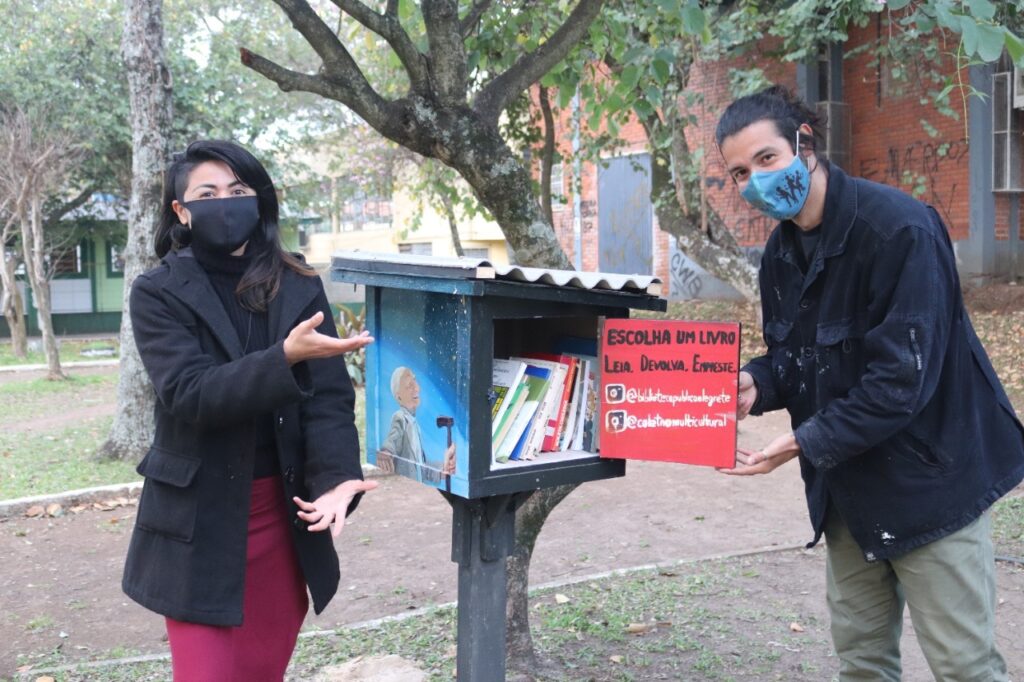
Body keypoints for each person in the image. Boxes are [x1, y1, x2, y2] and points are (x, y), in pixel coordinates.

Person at [716, 85, 1024, 680]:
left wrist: (802, 442)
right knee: (861, 662)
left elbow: (899, 382)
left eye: (765, 159)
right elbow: (795, 355)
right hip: (849, 494)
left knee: (964, 666)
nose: (754, 182)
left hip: (932, 484)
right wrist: (756, 382)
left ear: (804, 142)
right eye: (737, 173)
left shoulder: (901, 230)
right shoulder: (779, 256)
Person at [121, 140, 378, 682]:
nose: (225, 202)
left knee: (263, 672)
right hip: (199, 525)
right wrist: (283, 358)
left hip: (282, 520)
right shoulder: (157, 291)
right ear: (181, 211)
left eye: (238, 190)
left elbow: (329, 397)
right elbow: (190, 393)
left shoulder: (299, 284)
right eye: (207, 192)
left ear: (258, 200)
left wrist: (336, 479)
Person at [376, 366, 456, 483]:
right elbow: (393, 437)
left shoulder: (415, 425)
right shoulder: (400, 417)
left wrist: (443, 469)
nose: (417, 388)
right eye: (409, 385)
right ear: (399, 397)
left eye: (415, 381)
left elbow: (421, 467)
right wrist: (386, 452)